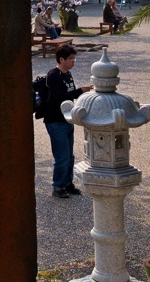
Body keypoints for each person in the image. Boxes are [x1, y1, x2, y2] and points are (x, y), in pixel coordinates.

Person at [43, 44, 92, 198]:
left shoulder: (68, 75)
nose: (73, 61)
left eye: (74, 58)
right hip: (55, 121)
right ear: (61, 59)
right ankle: (58, 186)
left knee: (69, 155)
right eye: (71, 59)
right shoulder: (53, 75)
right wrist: (79, 91)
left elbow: (70, 95)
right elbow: (58, 97)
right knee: (62, 156)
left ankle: (68, 183)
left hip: (67, 120)